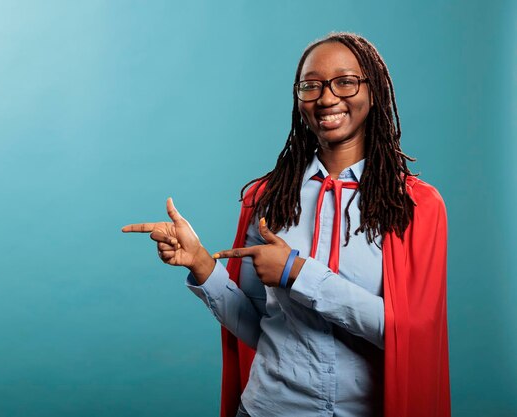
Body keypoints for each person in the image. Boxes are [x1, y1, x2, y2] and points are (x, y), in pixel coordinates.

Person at [122, 32, 450, 417]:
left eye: (345, 82)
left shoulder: (414, 204)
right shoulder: (266, 197)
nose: (327, 98)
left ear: (373, 91)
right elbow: (259, 327)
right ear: (299, 98)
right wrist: (201, 264)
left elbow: (408, 335)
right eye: (311, 86)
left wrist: (298, 273)